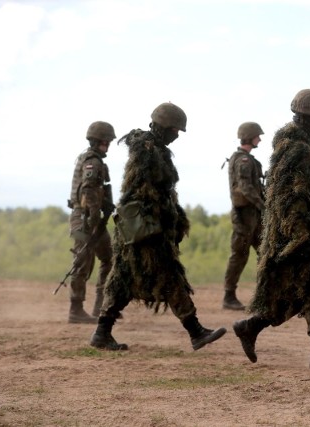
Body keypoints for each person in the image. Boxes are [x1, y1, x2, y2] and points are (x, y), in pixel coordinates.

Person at [233, 89, 310, 370]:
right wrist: (301, 235)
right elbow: (290, 195)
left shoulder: (297, 145)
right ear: (306, 116)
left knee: (309, 288)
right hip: (302, 232)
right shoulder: (296, 148)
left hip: (304, 229)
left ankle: (254, 325)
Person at [90, 102, 227, 351]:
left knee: (123, 279)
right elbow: (144, 193)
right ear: (162, 127)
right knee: (167, 275)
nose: (177, 136)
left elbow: (161, 193)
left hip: (142, 228)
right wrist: (162, 220)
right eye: (174, 130)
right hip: (145, 229)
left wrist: (175, 218)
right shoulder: (146, 150)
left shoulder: (154, 149)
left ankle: (102, 332)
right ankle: (195, 331)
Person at [66, 121, 116, 324]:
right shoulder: (93, 162)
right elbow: (87, 190)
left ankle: (100, 306)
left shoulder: (87, 158)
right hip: (85, 219)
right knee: (82, 262)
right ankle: (76, 310)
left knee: (108, 258)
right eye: (107, 141)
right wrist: (94, 220)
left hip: (88, 218)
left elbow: (94, 190)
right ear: (101, 141)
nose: (109, 145)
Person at [222, 122, 265, 310]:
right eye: (258, 136)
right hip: (244, 215)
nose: (260, 139)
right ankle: (229, 297)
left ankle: (266, 293)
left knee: (266, 252)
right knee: (239, 254)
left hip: (253, 214)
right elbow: (245, 187)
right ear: (250, 137)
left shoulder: (248, 159)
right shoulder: (243, 161)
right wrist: (263, 205)